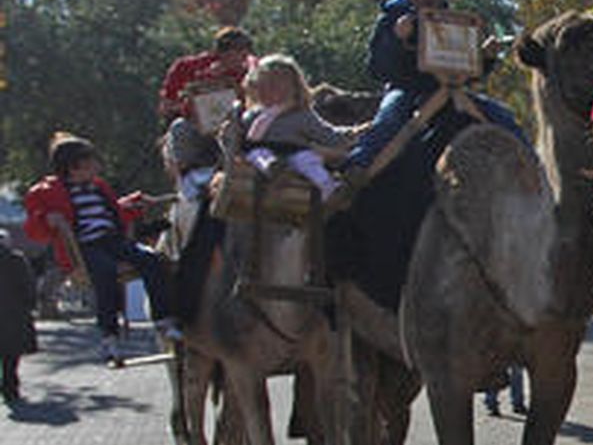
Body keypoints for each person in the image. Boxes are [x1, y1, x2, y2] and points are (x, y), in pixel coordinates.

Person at [342, 0, 524, 169]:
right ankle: (356, 169)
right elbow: (377, 67)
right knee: (388, 119)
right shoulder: (392, 18)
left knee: (503, 116)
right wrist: (397, 40)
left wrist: (485, 58)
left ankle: (535, 169)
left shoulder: (452, 20)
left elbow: (465, 75)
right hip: (408, 90)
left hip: (452, 91)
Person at [24, 132, 176, 362]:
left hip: (112, 240)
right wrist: (48, 219)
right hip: (86, 246)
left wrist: (134, 202)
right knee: (105, 273)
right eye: (91, 163)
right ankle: (109, 334)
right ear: (74, 168)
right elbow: (34, 227)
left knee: (152, 260)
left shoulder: (98, 188)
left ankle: (163, 317)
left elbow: (115, 211)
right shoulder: (49, 193)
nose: (97, 166)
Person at [241, 53, 367, 197]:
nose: (275, 90)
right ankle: (273, 168)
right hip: (262, 151)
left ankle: (330, 189)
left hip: (293, 151)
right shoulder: (254, 115)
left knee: (308, 160)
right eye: (269, 85)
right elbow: (243, 138)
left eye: (281, 85)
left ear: (294, 88)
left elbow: (327, 135)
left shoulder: (301, 116)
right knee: (258, 154)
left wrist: (354, 133)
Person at [160, 26, 255, 179]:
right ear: (220, 52)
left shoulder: (252, 71)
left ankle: (233, 174)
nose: (241, 57)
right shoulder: (188, 68)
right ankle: (188, 181)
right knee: (179, 129)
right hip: (195, 128)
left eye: (244, 51)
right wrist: (191, 102)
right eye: (234, 50)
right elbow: (166, 107)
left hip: (235, 128)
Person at [0, 234, 37, 406]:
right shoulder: (17, 259)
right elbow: (28, 284)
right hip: (14, 313)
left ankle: (8, 385)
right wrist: (30, 305)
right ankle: (10, 386)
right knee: (11, 355)